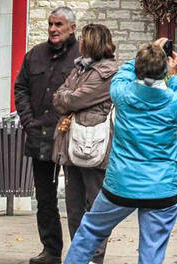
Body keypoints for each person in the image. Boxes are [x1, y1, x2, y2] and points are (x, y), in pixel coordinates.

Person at [60, 40, 177, 264]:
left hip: (121, 183)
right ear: (165, 70)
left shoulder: (122, 93)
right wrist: (174, 74)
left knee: (90, 231)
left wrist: (145, 54)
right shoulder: (175, 103)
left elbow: (123, 72)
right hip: (161, 187)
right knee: (152, 250)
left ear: (139, 69)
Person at [50, 25, 121, 264]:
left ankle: (93, 258)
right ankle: (79, 255)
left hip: (93, 145)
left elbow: (76, 98)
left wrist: (67, 98)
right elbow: (60, 96)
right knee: (73, 207)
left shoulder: (107, 73)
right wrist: (66, 98)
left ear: (92, 43)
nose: (79, 41)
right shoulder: (80, 67)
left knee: (95, 207)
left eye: (83, 38)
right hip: (71, 146)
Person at [13, 8, 79, 264]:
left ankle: (81, 253)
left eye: (59, 24)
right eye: (50, 24)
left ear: (72, 28)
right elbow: (21, 88)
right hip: (40, 136)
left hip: (72, 138)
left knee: (77, 200)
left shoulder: (82, 57)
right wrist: (28, 121)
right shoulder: (35, 55)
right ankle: (51, 250)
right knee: (45, 199)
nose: (53, 29)